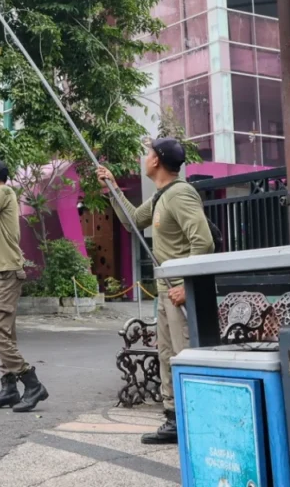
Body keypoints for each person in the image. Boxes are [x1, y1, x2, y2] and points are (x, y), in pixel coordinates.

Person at [95, 137, 213, 445]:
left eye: (147, 153)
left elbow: (203, 242)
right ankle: (174, 420)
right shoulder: (162, 196)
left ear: (157, 160)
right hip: (165, 291)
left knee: (185, 356)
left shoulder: (180, 194)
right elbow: (133, 221)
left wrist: (187, 285)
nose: (144, 158)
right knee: (167, 356)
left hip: (179, 291)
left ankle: (197, 422)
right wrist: (113, 187)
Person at [0, 159, 49, 413]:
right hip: (1, 274)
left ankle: (32, 383)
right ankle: (9, 387)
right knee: (5, 334)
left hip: (7, 274)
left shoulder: (4, 192)